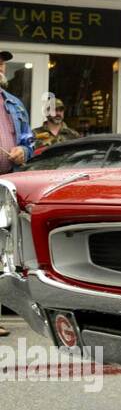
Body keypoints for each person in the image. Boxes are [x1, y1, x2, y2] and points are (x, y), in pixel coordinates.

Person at [0, 51, 34, 338]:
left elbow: (28, 141)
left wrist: (24, 151)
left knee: (3, 249)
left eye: (2, 62)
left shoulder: (14, 104)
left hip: (7, 183)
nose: (1, 66)